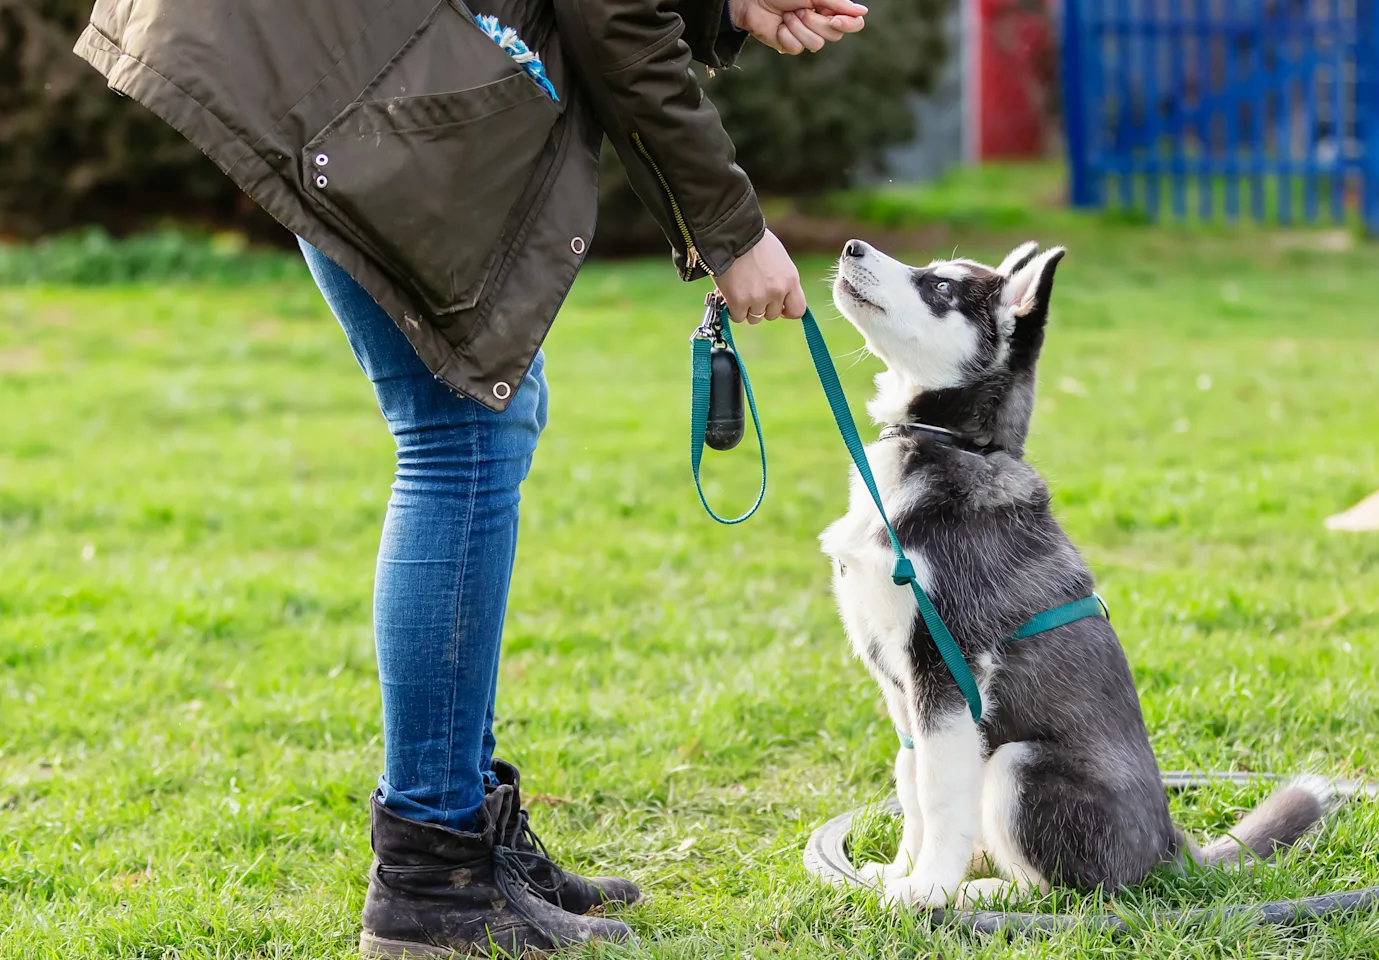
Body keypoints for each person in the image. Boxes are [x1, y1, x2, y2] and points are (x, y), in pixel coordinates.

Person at [73, 0, 865, 954]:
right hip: (328, 52)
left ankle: (464, 836)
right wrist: (730, 232)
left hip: (334, 46)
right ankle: (430, 877)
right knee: (458, 436)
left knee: (488, 416)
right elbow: (613, 17)